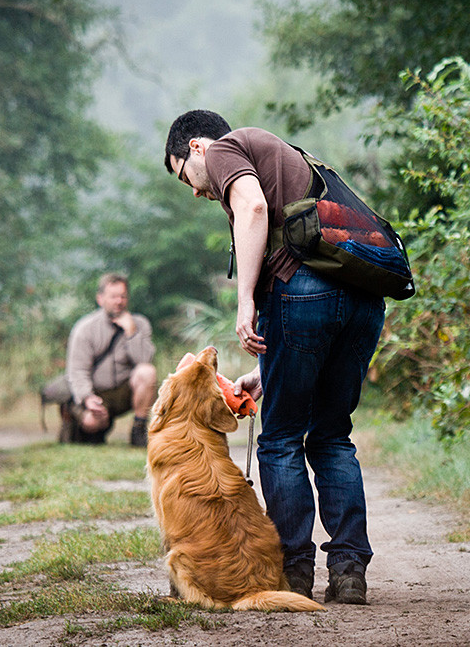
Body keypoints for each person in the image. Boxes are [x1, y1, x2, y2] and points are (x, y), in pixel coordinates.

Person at [163, 110, 385, 605]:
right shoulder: (284, 154)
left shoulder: (222, 149)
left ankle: (295, 574)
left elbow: (255, 210)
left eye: (185, 177)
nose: (197, 192)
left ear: (195, 147)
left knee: (281, 438)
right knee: (331, 435)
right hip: (362, 299)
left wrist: (245, 301)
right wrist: (269, 370)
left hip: (303, 293)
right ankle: (349, 573)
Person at [65, 272, 157, 446]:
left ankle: (139, 429)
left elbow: (144, 360)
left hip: (125, 390)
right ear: (100, 299)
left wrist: (131, 333)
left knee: (147, 372)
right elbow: (77, 371)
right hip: (97, 393)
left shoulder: (140, 324)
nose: (119, 301)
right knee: (92, 423)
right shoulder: (85, 328)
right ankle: (93, 428)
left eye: (123, 296)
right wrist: (87, 397)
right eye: (113, 296)